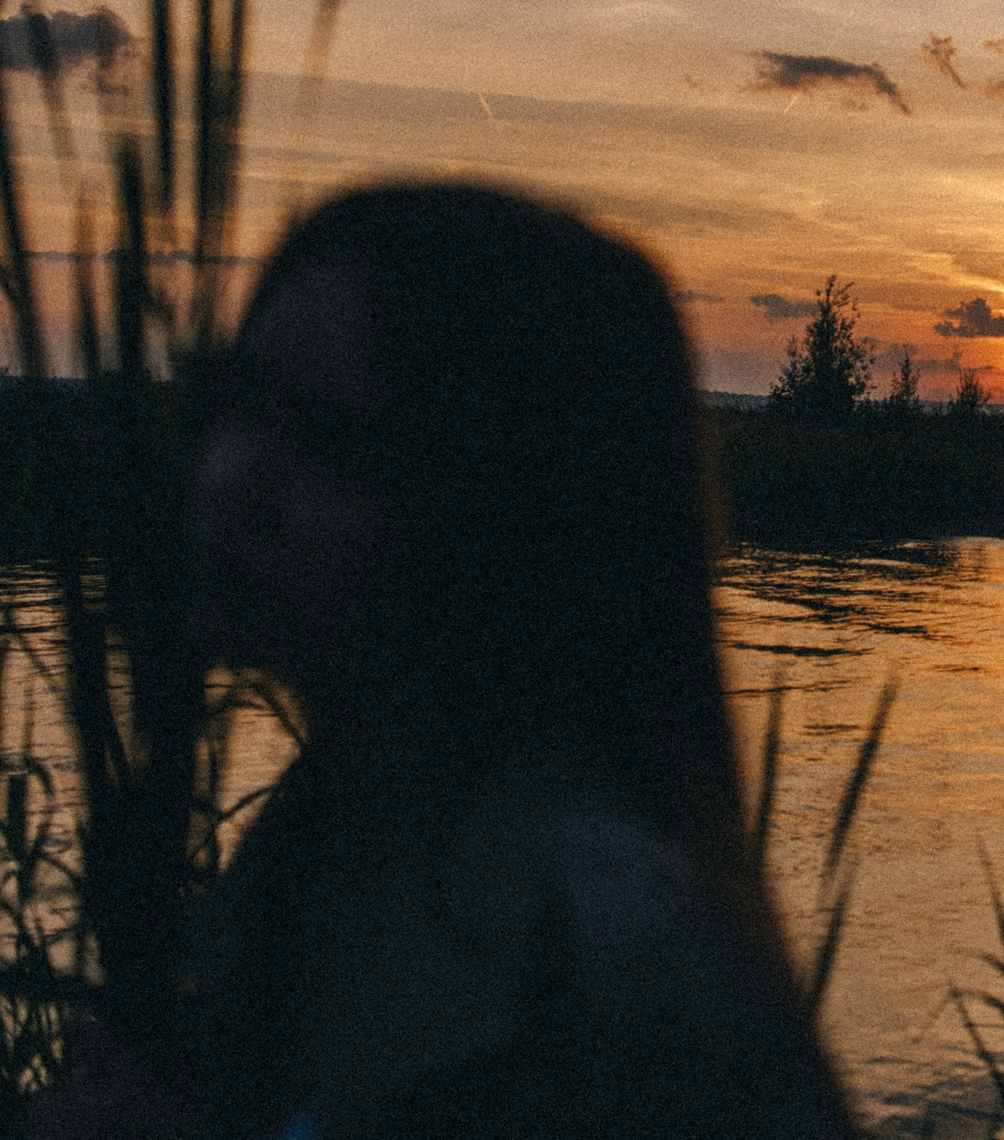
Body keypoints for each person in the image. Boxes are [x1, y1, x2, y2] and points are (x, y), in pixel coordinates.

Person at [129, 182, 851, 1138]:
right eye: (237, 403)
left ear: (492, 510)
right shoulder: (318, 850)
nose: (229, 477)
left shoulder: (608, 942)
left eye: (327, 440)